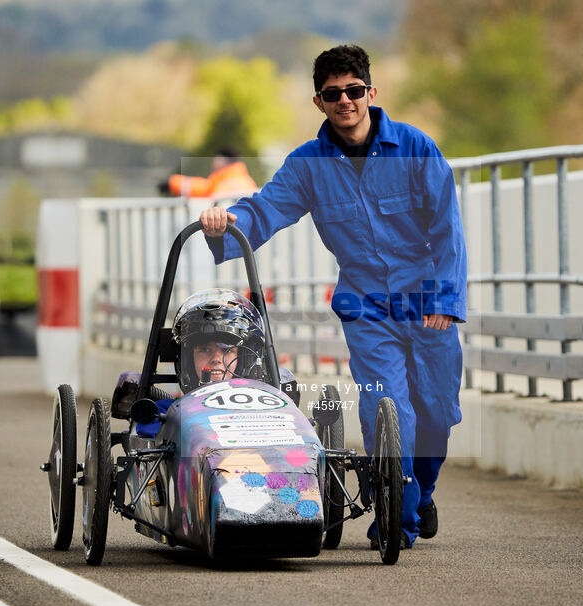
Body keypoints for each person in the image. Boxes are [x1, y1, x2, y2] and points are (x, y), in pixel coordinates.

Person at [199, 45, 467, 550]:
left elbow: (448, 229)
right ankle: (396, 520)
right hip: (367, 308)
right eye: (332, 94)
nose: (345, 100)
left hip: (426, 301)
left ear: (371, 92)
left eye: (354, 91)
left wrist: (445, 299)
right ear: (319, 101)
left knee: (436, 414)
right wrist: (227, 221)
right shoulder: (307, 165)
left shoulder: (416, 149)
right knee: (388, 409)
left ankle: (419, 493)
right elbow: (266, 209)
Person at [139, 289, 266, 438]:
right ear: (186, 359)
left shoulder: (261, 412)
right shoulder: (166, 412)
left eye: (228, 350)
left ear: (243, 358)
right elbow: (145, 434)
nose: (216, 359)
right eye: (205, 350)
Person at [158, 146, 257, 198]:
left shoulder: (223, 181)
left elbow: (202, 188)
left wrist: (171, 183)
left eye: (216, 159)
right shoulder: (248, 181)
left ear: (224, 160)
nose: (213, 162)